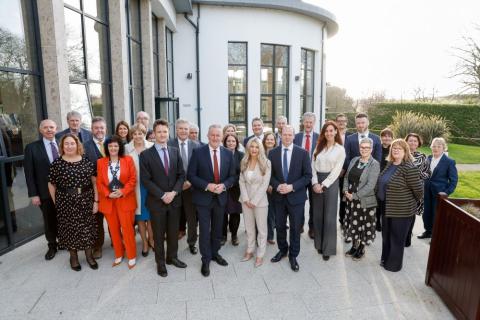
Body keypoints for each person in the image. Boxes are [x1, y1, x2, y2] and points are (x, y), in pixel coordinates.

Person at [187, 124, 237, 277]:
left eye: (218, 135)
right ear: (208, 136)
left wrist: (224, 185)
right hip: (203, 199)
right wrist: (207, 186)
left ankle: (215, 253)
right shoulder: (198, 152)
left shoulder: (228, 154)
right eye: (212, 135)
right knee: (204, 230)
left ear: (222, 137)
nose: (215, 138)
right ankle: (205, 259)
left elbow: (233, 177)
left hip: (220, 198)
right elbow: (191, 175)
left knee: (217, 229)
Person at [140, 119, 187, 277]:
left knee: (173, 232)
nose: (162, 134)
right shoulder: (146, 155)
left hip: (174, 200)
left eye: (165, 131)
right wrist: (162, 195)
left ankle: (172, 257)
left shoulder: (175, 151)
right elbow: (146, 180)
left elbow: (181, 175)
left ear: (168, 133)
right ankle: (160, 263)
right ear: (154, 133)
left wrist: (173, 193)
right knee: (158, 235)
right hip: (156, 202)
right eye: (159, 131)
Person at [48, 134, 99, 271]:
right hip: (65, 202)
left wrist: (96, 201)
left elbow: (95, 182)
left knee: (87, 229)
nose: (69, 146)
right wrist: (56, 202)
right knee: (70, 230)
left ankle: (89, 256)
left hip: (86, 200)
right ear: (62, 146)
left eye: (72, 143)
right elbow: (51, 184)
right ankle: (74, 257)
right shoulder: (57, 164)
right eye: (66, 144)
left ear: (77, 145)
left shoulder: (86, 161)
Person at [269, 125, 312, 272]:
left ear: (294, 136)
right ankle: (283, 250)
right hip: (279, 197)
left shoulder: (303, 153)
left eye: (290, 135)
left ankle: (293, 255)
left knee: (295, 228)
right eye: (284, 134)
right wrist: (277, 186)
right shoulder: (273, 153)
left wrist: (292, 187)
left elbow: (307, 176)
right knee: (279, 226)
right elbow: (270, 175)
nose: (287, 137)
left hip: (296, 198)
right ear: (281, 136)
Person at [377, 139, 423, 272]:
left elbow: (419, 191)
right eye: (394, 148)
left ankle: (393, 265)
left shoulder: (409, 167)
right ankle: (385, 259)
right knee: (386, 235)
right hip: (386, 206)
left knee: (397, 238)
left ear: (405, 151)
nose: (396, 150)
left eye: (399, 149)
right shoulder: (390, 164)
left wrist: (407, 201)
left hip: (402, 210)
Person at [97, 135, 138, 269]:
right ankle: (118, 254)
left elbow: (133, 179)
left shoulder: (128, 160)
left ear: (120, 147)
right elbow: (99, 183)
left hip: (125, 199)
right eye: (110, 146)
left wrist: (122, 191)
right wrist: (108, 193)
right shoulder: (101, 162)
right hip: (109, 201)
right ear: (106, 148)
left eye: (115, 146)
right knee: (113, 230)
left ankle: (131, 255)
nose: (113, 148)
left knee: (127, 229)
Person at [24, 119, 60, 260]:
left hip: (64, 191)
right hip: (44, 192)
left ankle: (63, 241)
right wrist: (34, 194)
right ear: (41, 130)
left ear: (56, 129)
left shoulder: (64, 144)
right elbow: (29, 173)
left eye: (51, 127)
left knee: (63, 218)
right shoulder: (32, 148)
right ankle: (52, 245)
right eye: (46, 127)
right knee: (49, 219)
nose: (49, 129)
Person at [311, 121, 345, 261]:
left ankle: (328, 248)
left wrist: (323, 185)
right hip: (317, 180)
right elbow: (312, 165)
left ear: (336, 132)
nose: (329, 133)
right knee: (318, 215)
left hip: (331, 182)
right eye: (326, 131)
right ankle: (319, 244)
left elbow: (337, 170)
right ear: (323, 133)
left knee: (329, 216)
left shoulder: (340, 149)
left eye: (331, 130)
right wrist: (314, 183)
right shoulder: (319, 147)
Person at [342, 137, 380, 260]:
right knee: (353, 222)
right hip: (350, 199)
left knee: (363, 224)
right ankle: (354, 246)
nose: (364, 149)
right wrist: (345, 190)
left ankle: (361, 248)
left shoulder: (374, 164)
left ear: (371, 149)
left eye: (367, 147)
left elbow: (370, 185)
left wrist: (355, 196)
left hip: (364, 201)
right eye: (362, 147)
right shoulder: (354, 160)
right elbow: (347, 177)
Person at [168, 118, 200, 254]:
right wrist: (178, 186)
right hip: (174, 189)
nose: (183, 131)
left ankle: (192, 243)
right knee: (173, 219)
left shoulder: (196, 146)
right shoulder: (168, 144)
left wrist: (191, 182)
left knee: (191, 219)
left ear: (189, 130)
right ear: (176, 130)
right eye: (180, 128)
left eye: (185, 129)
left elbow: (200, 168)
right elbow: (166, 168)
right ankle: (172, 246)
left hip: (191, 188)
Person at [239, 138, 271, 267]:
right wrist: (246, 199)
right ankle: (250, 250)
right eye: (251, 147)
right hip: (245, 201)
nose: (254, 149)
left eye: (256, 147)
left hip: (260, 201)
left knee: (262, 229)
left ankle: (260, 254)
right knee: (249, 228)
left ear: (260, 149)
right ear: (248, 148)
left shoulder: (266, 163)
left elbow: (265, 184)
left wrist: (254, 201)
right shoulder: (244, 161)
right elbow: (241, 181)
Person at [418, 137, 458, 240]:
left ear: (443, 148)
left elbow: (453, 181)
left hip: (439, 193)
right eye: (434, 146)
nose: (436, 148)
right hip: (426, 191)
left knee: (436, 215)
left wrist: (445, 193)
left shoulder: (449, 162)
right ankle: (428, 231)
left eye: (439, 146)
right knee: (426, 213)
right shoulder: (428, 158)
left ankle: (436, 236)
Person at [125, 124, 154, 256]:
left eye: (140, 133)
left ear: (144, 133)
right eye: (135, 134)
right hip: (135, 188)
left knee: (151, 217)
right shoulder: (126, 149)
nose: (137, 136)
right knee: (140, 218)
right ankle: (144, 243)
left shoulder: (152, 146)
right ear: (131, 135)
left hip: (150, 187)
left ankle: (152, 239)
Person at [83, 117, 108, 259]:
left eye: (102, 128)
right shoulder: (84, 146)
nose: (99, 130)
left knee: (113, 219)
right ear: (92, 130)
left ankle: (117, 242)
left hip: (112, 189)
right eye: (96, 128)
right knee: (97, 220)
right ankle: (97, 246)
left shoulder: (112, 143)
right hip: (94, 190)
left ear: (106, 129)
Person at [293, 112, 319, 238]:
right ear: (303, 123)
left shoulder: (320, 138)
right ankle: (300, 224)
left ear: (314, 123)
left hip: (314, 175)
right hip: (299, 176)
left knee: (314, 203)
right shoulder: (296, 137)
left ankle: (312, 227)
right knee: (300, 201)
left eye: (311, 122)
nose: (308, 124)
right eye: (306, 122)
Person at [405, 133, 430, 247]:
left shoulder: (422, 156)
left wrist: (416, 173)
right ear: (407, 141)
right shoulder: (401, 154)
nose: (413, 143)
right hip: (402, 189)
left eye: (415, 141)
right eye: (410, 140)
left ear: (418, 143)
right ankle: (400, 234)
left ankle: (408, 236)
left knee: (411, 214)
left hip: (416, 190)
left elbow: (428, 173)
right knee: (401, 213)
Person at [221, 134, 244, 246]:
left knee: (235, 214)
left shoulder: (241, 155)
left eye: (233, 141)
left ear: (236, 143)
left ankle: (234, 236)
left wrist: (231, 183)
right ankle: (223, 235)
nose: (231, 143)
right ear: (225, 143)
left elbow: (243, 173)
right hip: (223, 189)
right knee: (223, 214)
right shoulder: (220, 153)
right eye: (228, 141)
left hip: (236, 189)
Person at [336, 113, 352, 226]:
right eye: (339, 120)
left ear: (346, 122)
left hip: (345, 172)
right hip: (331, 171)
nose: (341, 123)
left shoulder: (351, 136)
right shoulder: (331, 134)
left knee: (344, 196)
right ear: (336, 122)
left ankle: (343, 219)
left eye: (343, 120)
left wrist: (344, 169)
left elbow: (351, 155)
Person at [262, 132, 277, 244]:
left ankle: (270, 236)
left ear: (275, 141)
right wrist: (265, 185)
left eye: (272, 139)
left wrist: (271, 185)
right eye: (268, 139)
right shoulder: (259, 152)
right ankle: (260, 235)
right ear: (264, 141)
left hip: (272, 188)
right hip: (260, 187)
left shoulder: (278, 153)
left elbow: (277, 172)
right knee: (261, 213)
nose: (270, 141)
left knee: (271, 213)